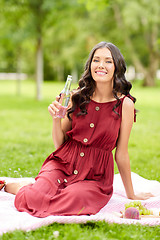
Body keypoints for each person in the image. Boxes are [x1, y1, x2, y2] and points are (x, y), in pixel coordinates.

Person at [2, 42, 153, 217]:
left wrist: (131, 194)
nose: (101, 65)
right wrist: (56, 120)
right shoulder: (76, 97)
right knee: (34, 198)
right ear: (90, 65)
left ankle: (33, 189)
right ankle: (18, 188)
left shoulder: (125, 104)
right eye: (96, 60)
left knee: (75, 200)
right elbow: (60, 144)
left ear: (117, 67)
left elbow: (121, 153)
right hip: (62, 164)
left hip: (95, 176)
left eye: (108, 61)